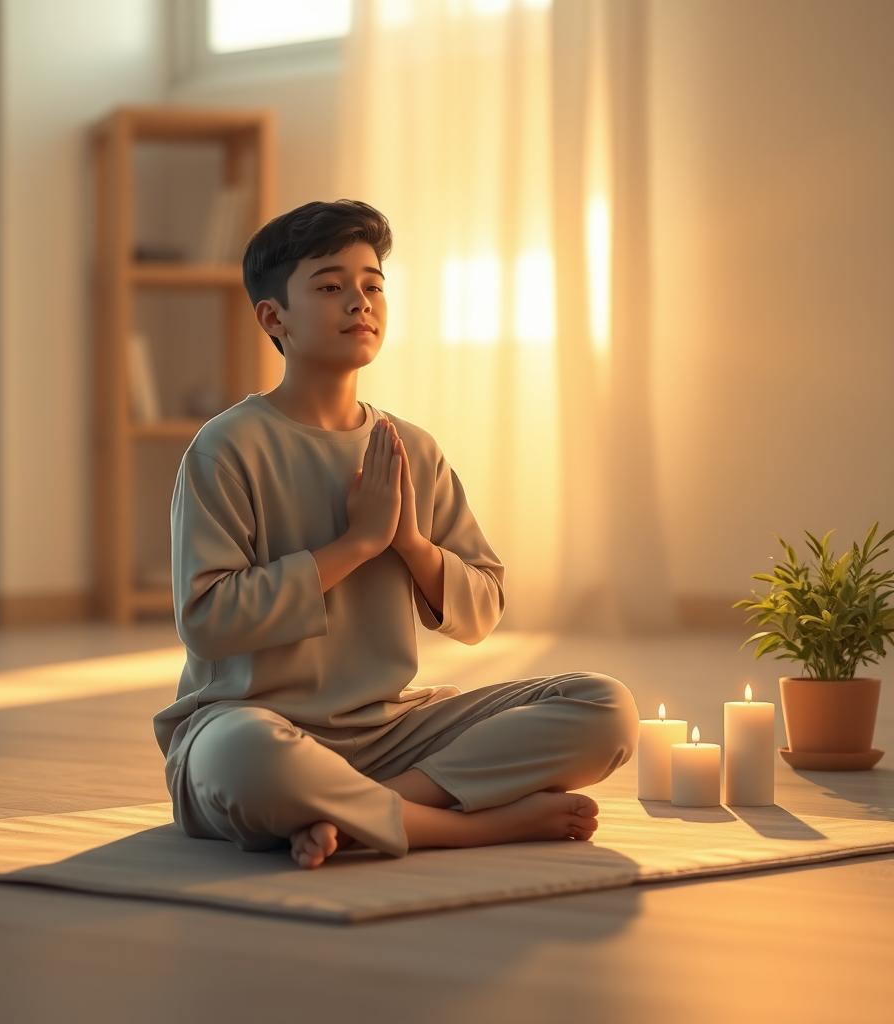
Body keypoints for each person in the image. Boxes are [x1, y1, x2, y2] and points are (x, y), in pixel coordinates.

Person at [153, 199, 640, 870]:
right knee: (245, 763)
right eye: (330, 286)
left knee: (604, 707)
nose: (360, 302)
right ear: (274, 318)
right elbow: (207, 620)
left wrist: (409, 543)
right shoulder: (226, 448)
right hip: (253, 724)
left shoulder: (410, 447)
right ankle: (471, 827)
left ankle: (359, 811)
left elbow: (482, 609)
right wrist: (355, 545)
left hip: (392, 731)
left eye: (372, 285)